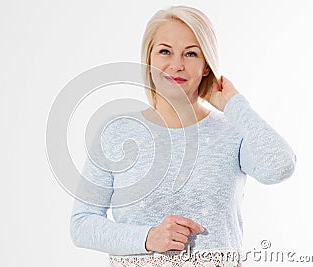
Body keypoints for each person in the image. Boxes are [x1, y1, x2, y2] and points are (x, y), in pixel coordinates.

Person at [70, 5, 296, 267]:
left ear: (206, 66)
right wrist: (148, 237)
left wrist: (235, 106)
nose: (176, 65)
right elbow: (82, 224)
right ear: (149, 59)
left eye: (191, 53)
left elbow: (281, 166)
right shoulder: (116, 131)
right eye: (165, 51)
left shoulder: (233, 132)